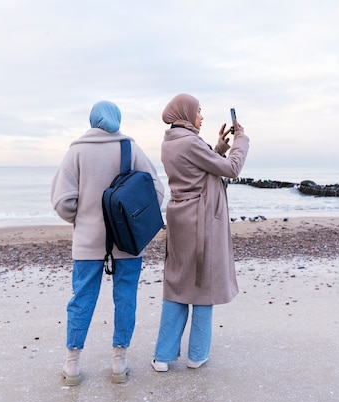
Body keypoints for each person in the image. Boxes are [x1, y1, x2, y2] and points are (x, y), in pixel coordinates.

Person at [51, 100, 164, 385]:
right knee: (125, 297)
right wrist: (135, 220)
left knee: (82, 299)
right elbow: (156, 191)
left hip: (88, 240)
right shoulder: (130, 148)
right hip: (127, 240)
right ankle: (119, 363)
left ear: (92, 120)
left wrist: (83, 218)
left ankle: (72, 364)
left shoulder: (76, 151)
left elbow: (63, 201)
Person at [151, 93, 250, 372]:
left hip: (181, 219)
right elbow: (231, 169)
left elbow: (198, 169)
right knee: (203, 286)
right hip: (201, 222)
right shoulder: (190, 142)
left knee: (177, 283)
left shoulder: (171, 142)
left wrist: (217, 148)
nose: (202, 116)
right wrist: (240, 141)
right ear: (185, 113)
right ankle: (196, 355)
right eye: (199, 111)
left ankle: (163, 355)